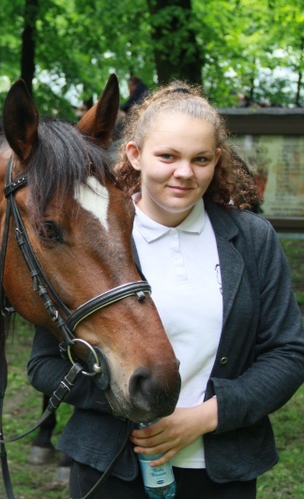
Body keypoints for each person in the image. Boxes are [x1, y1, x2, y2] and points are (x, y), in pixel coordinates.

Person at [27, 81, 304, 498]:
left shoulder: (251, 239)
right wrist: (129, 400)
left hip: (220, 473)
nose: (184, 173)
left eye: (201, 159)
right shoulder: (96, 239)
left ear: (217, 162)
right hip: (110, 471)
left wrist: (206, 417)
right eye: (168, 156)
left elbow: (289, 352)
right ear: (135, 155)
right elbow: (44, 365)